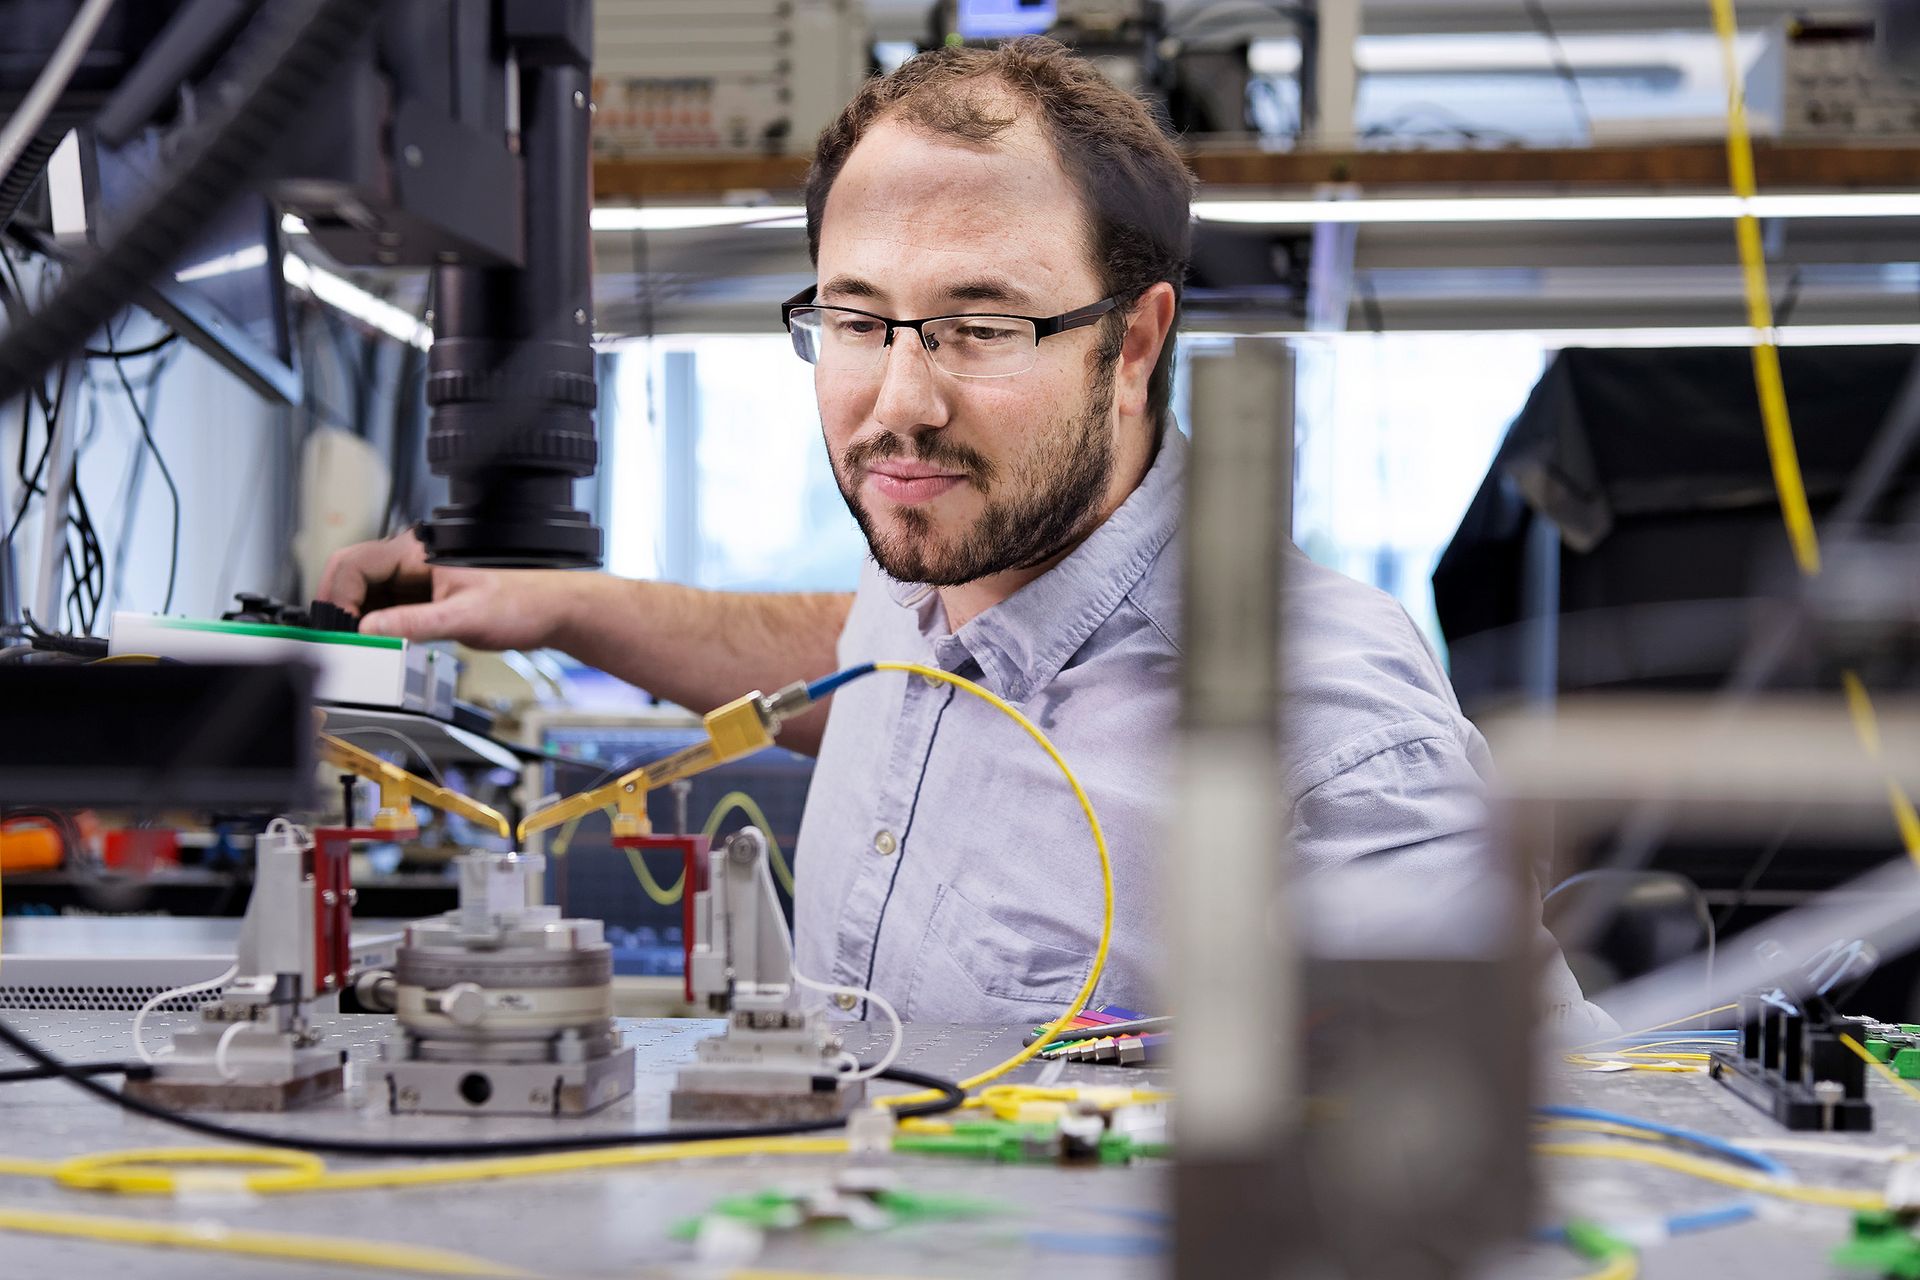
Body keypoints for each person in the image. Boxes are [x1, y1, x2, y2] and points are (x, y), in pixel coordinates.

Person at [321, 38, 1605, 1032]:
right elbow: (841, 656)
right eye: (857, 317)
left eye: (981, 326)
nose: (899, 402)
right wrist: (558, 604)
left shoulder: (1325, 718)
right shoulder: (939, 574)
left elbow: (1560, 1161)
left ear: (1133, 345)